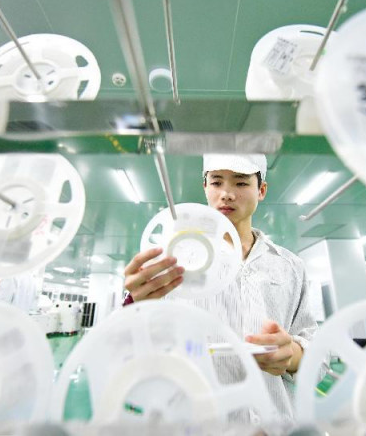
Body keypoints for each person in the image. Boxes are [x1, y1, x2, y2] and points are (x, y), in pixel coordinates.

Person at [122, 153, 318, 420]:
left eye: (240, 183)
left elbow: (318, 356)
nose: (226, 194)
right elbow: (132, 348)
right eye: (216, 182)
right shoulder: (171, 260)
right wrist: (134, 305)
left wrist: (293, 356)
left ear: (261, 190)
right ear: (205, 187)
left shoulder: (290, 266)